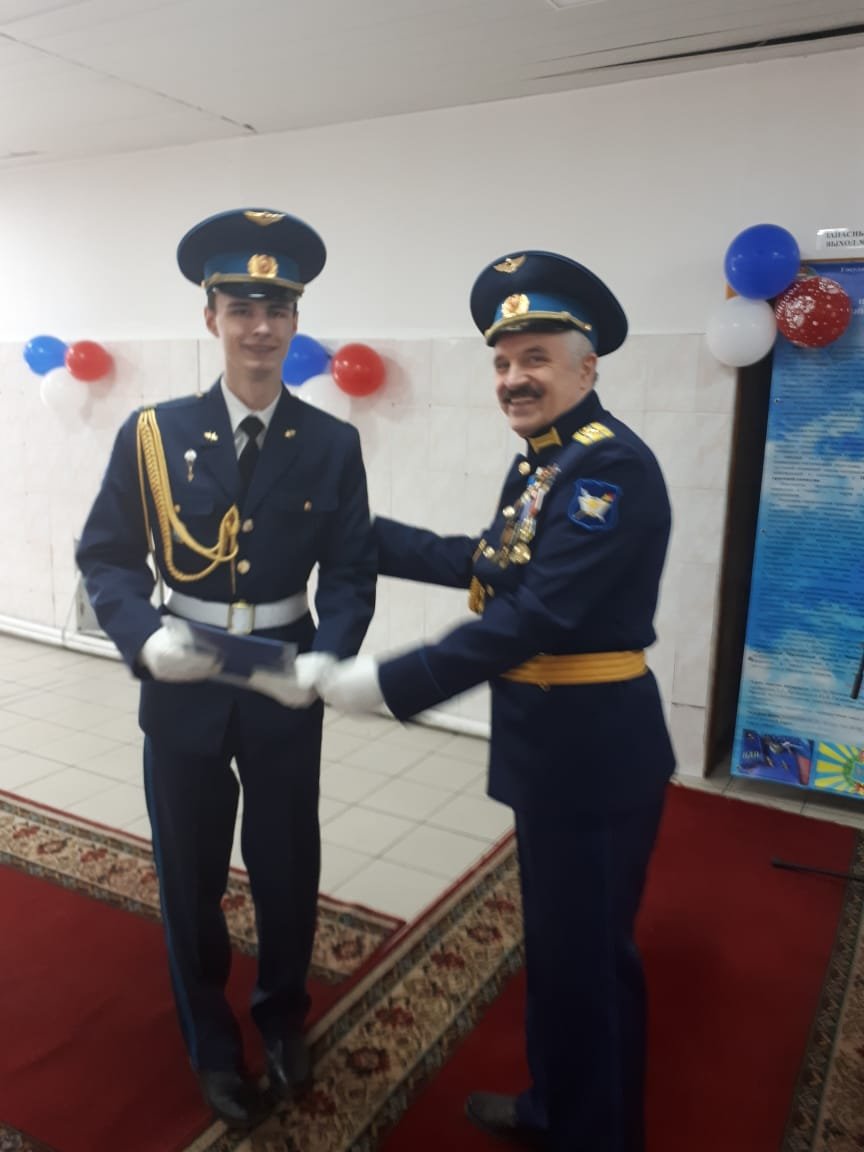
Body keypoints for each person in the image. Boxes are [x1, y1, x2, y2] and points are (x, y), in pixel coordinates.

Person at [320, 251, 676, 1152]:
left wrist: (393, 682)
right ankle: (556, 1106)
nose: (514, 378)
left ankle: (596, 1136)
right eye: (503, 362)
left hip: (594, 754)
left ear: (587, 368)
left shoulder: (608, 470)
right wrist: (356, 534)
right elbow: (488, 563)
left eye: (536, 359)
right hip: (552, 746)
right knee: (558, 948)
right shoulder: (545, 465)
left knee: (590, 960)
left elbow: (539, 614)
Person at [76, 208, 376, 1128]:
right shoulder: (153, 433)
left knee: (286, 862)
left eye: (277, 308)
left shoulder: (331, 443)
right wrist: (142, 635)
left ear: (296, 321)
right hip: (185, 673)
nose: (260, 326)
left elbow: (351, 571)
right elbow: (107, 556)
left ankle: (282, 1017)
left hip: (284, 673)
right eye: (242, 308)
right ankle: (209, 1038)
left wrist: (327, 656)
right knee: (190, 868)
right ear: (210, 317)